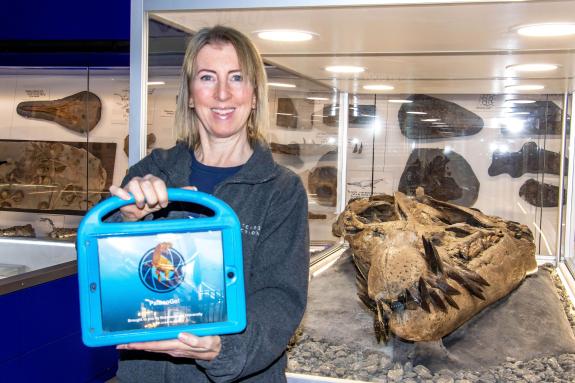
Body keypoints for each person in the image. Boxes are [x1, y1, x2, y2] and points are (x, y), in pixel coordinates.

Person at [108, 25, 310, 382]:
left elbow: (280, 298)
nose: (221, 94)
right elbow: (100, 277)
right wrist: (125, 222)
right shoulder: (150, 172)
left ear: (254, 94)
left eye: (236, 77)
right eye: (207, 77)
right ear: (189, 94)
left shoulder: (280, 190)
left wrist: (223, 348)